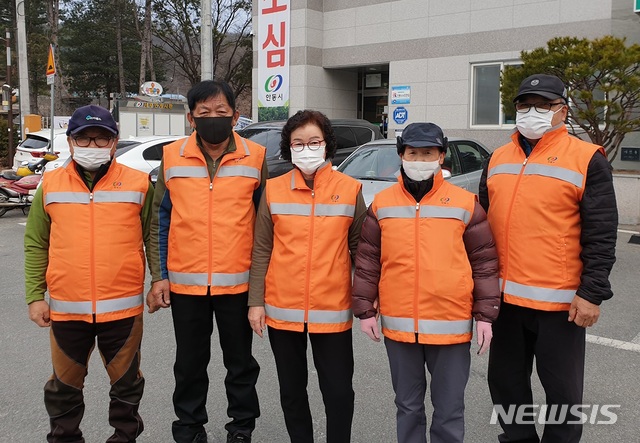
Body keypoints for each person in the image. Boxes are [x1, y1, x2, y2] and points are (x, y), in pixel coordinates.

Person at [480, 74, 618, 443]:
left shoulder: (586, 158)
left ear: (562, 110)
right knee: (506, 389)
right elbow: (480, 230)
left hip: (560, 303)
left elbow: (601, 233)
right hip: (505, 301)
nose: (532, 112)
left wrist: (591, 293)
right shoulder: (497, 158)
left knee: (562, 396)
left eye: (543, 105)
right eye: (524, 105)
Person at [352, 122, 500, 443]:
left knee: (449, 410)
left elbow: (485, 261)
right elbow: (367, 259)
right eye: (413, 153)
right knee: (407, 406)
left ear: (441, 156)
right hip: (400, 327)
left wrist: (486, 314)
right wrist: (364, 308)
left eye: (428, 153)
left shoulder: (465, 203)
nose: (420, 159)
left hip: (451, 325)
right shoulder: (383, 204)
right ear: (401, 155)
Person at [24, 104, 154, 443]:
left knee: (126, 384)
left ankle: (125, 437)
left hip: (123, 309)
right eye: (84, 138)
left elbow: (152, 237)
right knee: (64, 386)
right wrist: (35, 297)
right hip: (67, 309)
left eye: (101, 139)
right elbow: (36, 243)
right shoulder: (50, 184)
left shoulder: (138, 183)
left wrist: (160, 280)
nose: (92, 146)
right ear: (70, 142)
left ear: (114, 142)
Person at [146, 80, 267, 443]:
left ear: (236, 116)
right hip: (186, 285)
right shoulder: (171, 156)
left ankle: (241, 428)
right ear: (190, 118)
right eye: (204, 113)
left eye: (221, 112)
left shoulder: (256, 157)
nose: (213, 119)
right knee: (189, 365)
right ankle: (189, 427)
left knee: (240, 364)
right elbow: (158, 220)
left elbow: (265, 224)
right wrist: (159, 276)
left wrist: (261, 287)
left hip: (238, 285)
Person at [247, 109, 366, 443]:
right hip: (282, 310)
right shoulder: (273, 189)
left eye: (314, 141)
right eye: (298, 143)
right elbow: (261, 249)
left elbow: (361, 250)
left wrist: (367, 299)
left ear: (327, 144)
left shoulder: (350, 189)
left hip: (332, 309)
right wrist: (255, 302)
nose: (307, 148)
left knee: (339, 392)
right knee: (292, 391)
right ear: (289, 148)